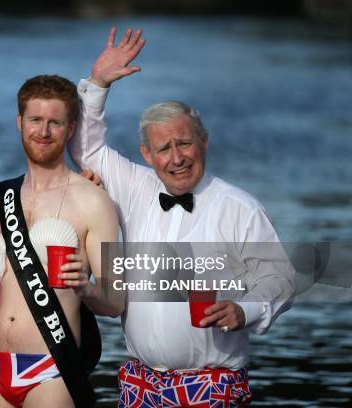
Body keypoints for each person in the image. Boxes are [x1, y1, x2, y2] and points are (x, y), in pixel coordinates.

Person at [68, 28, 295, 407]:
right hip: (140, 385)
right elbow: (84, 148)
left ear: (204, 142)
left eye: (185, 143)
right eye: (164, 148)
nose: (177, 158)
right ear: (147, 154)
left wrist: (245, 309)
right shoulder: (133, 186)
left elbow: (279, 279)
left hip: (213, 387)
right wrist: (97, 85)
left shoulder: (240, 207)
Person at [0, 75, 121, 408]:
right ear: (19, 122)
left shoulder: (94, 201)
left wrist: (86, 288)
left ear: (70, 129)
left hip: (52, 370)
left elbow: (117, 300)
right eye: (35, 120)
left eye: (55, 123)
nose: (43, 132)